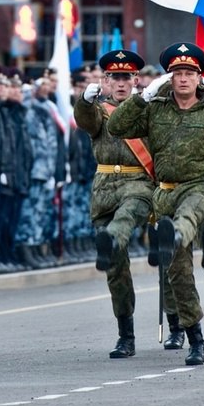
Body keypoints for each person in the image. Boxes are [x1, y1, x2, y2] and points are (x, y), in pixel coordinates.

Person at [107, 42, 204, 366]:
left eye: (189, 73)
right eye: (177, 73)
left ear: (199, 78)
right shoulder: (157, 110)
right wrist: (142, 97)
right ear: (169, 78)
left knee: (193, 224)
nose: (183, 79)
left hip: (202, 189)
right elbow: (116, 126)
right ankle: (195, 338)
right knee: (177, 273)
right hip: (165, 193)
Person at [77, 50, 153, 359]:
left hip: (139, 185)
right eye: (114, 78)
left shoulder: (147, 109)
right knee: (116, 267)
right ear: (105, 80)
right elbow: (85, 122)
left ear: (136, 80)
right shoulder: (100, 110)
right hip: (106, 189)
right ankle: (126, 333)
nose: (120, 84)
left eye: (126, 78)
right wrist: (83, 100)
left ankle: (178, 323)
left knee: (125, 221)